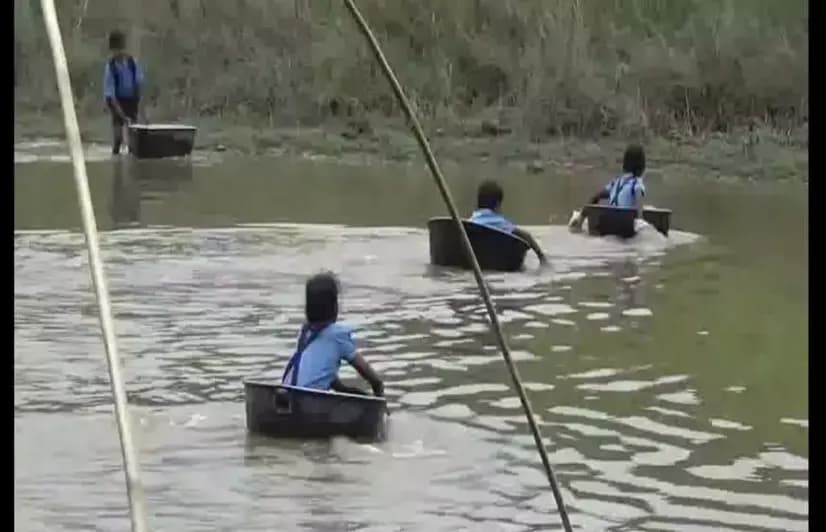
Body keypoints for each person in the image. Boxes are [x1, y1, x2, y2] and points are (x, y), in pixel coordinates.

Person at [281, 272, 384, 397]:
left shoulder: (306, 332)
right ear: (334, 306)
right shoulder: (338, 335)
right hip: (308, 402)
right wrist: (379, 396)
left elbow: (319, 371)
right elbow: (371, 377)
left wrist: (345, 390)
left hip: (287, 395)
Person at [568, 144, 647, 230]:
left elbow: (595, 196)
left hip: (608, 224)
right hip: (625, 228)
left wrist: (581, 217)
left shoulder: (616, 182)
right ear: (642, 166)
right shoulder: (637, 183)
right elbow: (639, 212)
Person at [469, 180, 548, 264]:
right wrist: (542, 258)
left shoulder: (472, 221)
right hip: (500, 260)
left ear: (478, 202)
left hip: (476, 257)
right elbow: (527, 236)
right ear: (498, 204)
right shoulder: (500, 224)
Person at [103, 30, 144, 155]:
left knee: (134, 137)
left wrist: (139, 109)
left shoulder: (133, 63)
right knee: (118, 138)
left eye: (121, 49)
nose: (119, 53)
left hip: (131, 99)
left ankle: (133, 155)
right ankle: (116, 159)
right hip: (115, 101)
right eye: (116, 50)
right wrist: (122, 116)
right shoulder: (110, 67)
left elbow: (138, 85)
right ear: (112, 50)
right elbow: (111, 95)